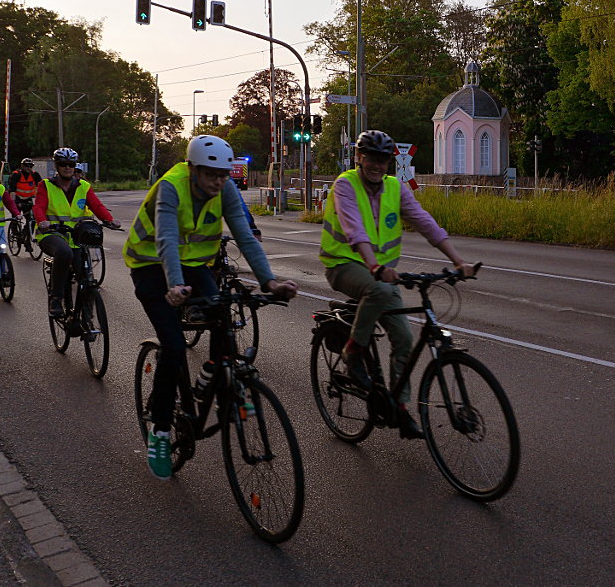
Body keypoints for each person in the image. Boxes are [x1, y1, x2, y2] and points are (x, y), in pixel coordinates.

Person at [123, 134, 297, 480]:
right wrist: (174, 284)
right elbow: (166, 239)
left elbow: (245, 237)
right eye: (211, 175)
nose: (219, 181)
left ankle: (213, 378)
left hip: (193, 266)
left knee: (225, 320)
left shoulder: (225, 189)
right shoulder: (172, 187)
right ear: (192, 169)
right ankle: (159, 433)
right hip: (150, 266)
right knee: (172, 348)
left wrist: (269, 282)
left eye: (223, 174)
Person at [320, 130, 477, 440]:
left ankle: (400, 408)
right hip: (344, 264)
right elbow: (354, 230)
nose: (377, 165)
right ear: (359, 159)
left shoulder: (395, 188)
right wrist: (374, 265)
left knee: (404, 337)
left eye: (383, 160)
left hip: (381, 272)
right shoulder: (345, 185)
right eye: (371, 159)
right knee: (377, 290)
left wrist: (459, 262)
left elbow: (424, 222)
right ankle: (353, 352)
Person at [33, 147, 120, 317]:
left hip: (76, 237)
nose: (67, 167)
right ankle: (56, 299)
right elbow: (39, 206)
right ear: (57, 166)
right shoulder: (46, 185)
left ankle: (86, 318)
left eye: (71, 164)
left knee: (86, 276)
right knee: (64, 253)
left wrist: (109, 220)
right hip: (51, 234)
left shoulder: (83, 186)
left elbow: (97, 205)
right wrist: (42, 221)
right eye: (63, 164)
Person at [8, 157, 42, 251]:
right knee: (16, 216)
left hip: (28, 199)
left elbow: (41, 187)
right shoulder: (16, 175)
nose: (28, 167)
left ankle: (27, 239)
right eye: (26, 166)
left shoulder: (35, 175)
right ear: (22, 166)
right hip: (18, 199)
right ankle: (15, 231)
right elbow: (12, 189)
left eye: (30, 166)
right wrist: (14, 203)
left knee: (31, 219)